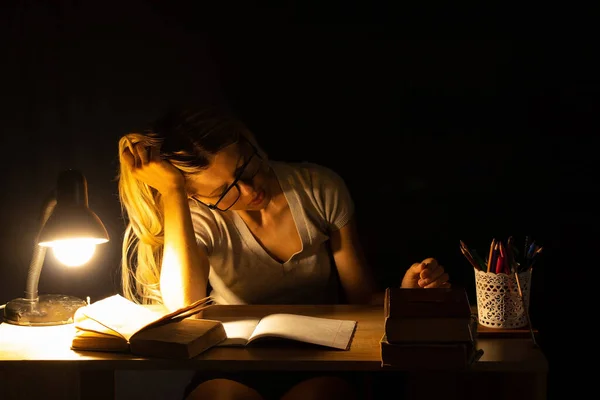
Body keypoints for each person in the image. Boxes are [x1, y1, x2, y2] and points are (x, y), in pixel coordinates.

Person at [117, 105, 451, 400]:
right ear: (196, 197)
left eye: (244, 168)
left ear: (248, 141)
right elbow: (184, 310)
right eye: (224, 192)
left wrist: (406, 298)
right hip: (231, 363)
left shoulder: (318, 188)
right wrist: (173, 191)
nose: (250, 190)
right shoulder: (197, 217)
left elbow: (361, 298)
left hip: (323, 358)